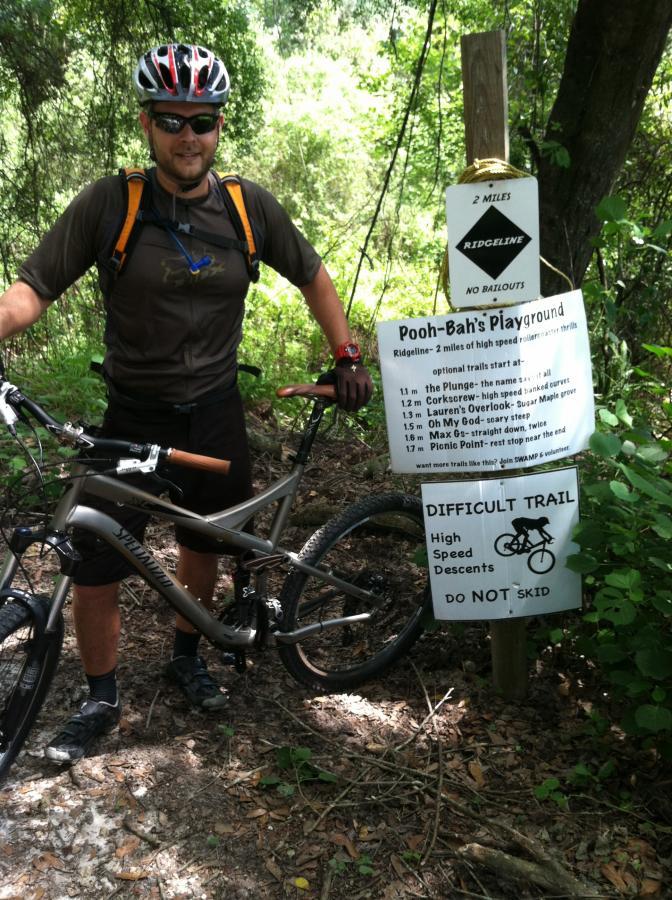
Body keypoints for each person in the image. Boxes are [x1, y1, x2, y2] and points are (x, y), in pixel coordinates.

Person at [0, 43, 373, 763]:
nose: (187, 135)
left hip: (216, 410)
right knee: (97, 559)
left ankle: (185, 654)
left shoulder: (247, 206)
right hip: (133, 415)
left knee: (204, 541)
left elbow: (314, 275)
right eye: (171, 119)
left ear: (218, 126)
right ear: (146, 123)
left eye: (201, 120)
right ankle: (101, 694)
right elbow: (31, 291)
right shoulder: (113, 202)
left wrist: (346, 354)